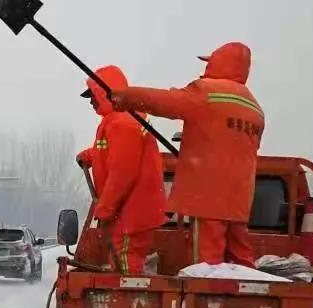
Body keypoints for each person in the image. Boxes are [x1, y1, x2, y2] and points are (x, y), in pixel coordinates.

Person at [111, 42, 264, 267]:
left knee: (207, 266)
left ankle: (209, 302)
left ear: (219, 63)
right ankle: (249, 296)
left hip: (209, 196)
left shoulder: (208, 92)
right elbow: (231, 145)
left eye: (210, 62)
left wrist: (126, 97)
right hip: (239, 200)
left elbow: (165, 101)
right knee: (241, 260)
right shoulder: (254, 108)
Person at [76, 63, 168, 275]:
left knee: (126, 270)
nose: (90, 101)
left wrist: (106, 207)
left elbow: (123, 173)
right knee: (121, 263)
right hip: (129, 213)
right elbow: (115, 154)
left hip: (131, 213)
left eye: (93, 95)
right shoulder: (120, 120)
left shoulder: (123, 123)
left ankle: (129, 307)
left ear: (105, 93)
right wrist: (90, 156)